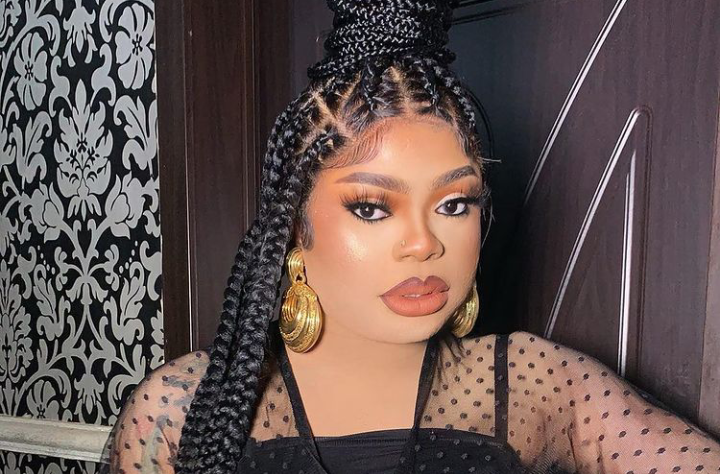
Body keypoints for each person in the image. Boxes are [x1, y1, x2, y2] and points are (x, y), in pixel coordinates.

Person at [100, 0, 720, 473]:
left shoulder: (535, 382)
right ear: (292, 230)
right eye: (372, 208)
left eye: (454, 203)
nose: (424, 243)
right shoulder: (183, 409)